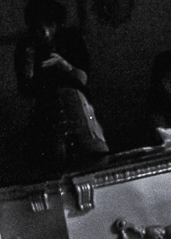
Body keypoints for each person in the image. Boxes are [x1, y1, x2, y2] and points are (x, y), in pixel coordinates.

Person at [12, 0, 107, 172]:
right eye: (38, 27)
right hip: (46, 111)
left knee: (93, 156)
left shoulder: (72, 39)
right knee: (50, 165)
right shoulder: (26, 45)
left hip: (77, 105)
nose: (45, 33)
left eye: (49, 25)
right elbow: (25, 89)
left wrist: (64, 64)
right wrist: (28, 67)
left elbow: (83, 79)